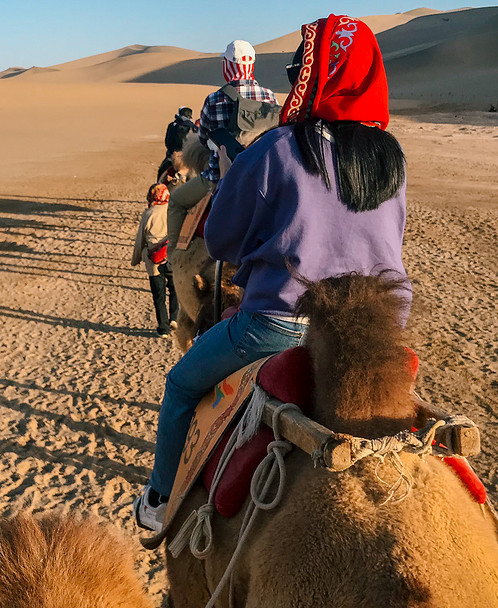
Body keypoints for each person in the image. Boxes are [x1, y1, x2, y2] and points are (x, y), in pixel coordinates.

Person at [134, 15, 411, 532]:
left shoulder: (279, 147)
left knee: (179, 384)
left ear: (316, 76)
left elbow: (220, 240)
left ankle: (157, 502)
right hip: (376, 329)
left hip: (278, 320)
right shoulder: (390, 157)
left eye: (298, 68)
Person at [166, 40, 279, 248]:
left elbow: (203, 138)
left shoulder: (215, 99)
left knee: (175, 202)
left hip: (219, 178)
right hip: (263, 179)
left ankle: (173, 261)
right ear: (251, 65)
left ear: (227, 66)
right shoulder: (270, 97)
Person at [131, 184, 179, 337]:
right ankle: (174, 319)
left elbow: (140, 239)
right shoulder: (175, 210)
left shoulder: (149, 213)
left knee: (158, 296)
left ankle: (163, 328)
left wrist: (136, 259)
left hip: (154, 261)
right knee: (174, 289)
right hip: (172, 256)